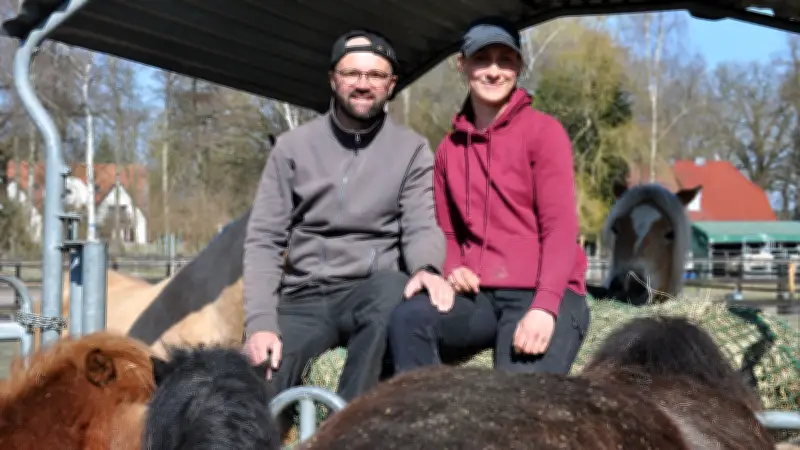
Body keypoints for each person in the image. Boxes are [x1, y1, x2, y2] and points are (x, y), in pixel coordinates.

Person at [242, 29, 452, 402]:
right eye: (352, 73)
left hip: (368, 290)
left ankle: (350, 426)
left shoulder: (412, 149)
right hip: (304, 295)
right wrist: (260, 322)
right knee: (260, 376)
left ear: (391, 84)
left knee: (392, 290)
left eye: (375, 75)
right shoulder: (293, 148)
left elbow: (421, 223)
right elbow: (265, 239)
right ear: (333, 79)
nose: (362, 84)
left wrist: (426, 269)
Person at [388, 17, 590, 376]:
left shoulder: (545, 133)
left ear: (520, 66)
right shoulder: (449, 149)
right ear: (462, 65)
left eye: (505, 59)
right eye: (483, 59)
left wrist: (544, 308)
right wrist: (452, 269)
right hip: (479, 296)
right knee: (409, 319)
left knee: (512, 407)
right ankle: (431, 423)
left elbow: (560, 231)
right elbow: (447, 231)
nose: (494, 71)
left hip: (541, 291)